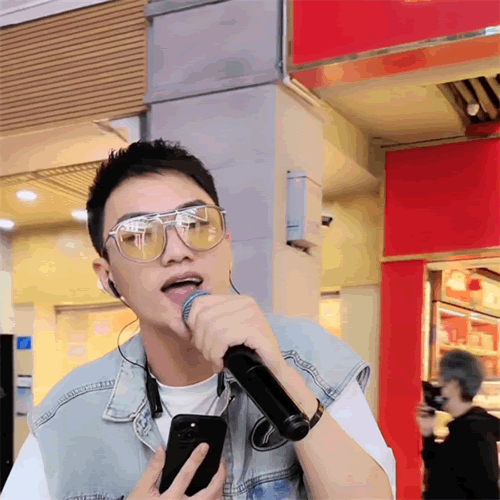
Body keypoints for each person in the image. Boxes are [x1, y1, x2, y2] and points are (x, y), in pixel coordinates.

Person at [1, 139, 396, 500]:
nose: (177, 251)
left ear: (227, 246)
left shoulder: (311, 356)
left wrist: (284, 377)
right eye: (139, 234)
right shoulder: (67, 415)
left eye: (196, 224)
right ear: (109, 278)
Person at [417, 349, 500, 500]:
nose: (436, 388)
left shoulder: (473, 434)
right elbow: (441, 466)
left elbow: (485, 492)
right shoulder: (466, 428)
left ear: (453, 386)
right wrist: (428, 434)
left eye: (440, 381)